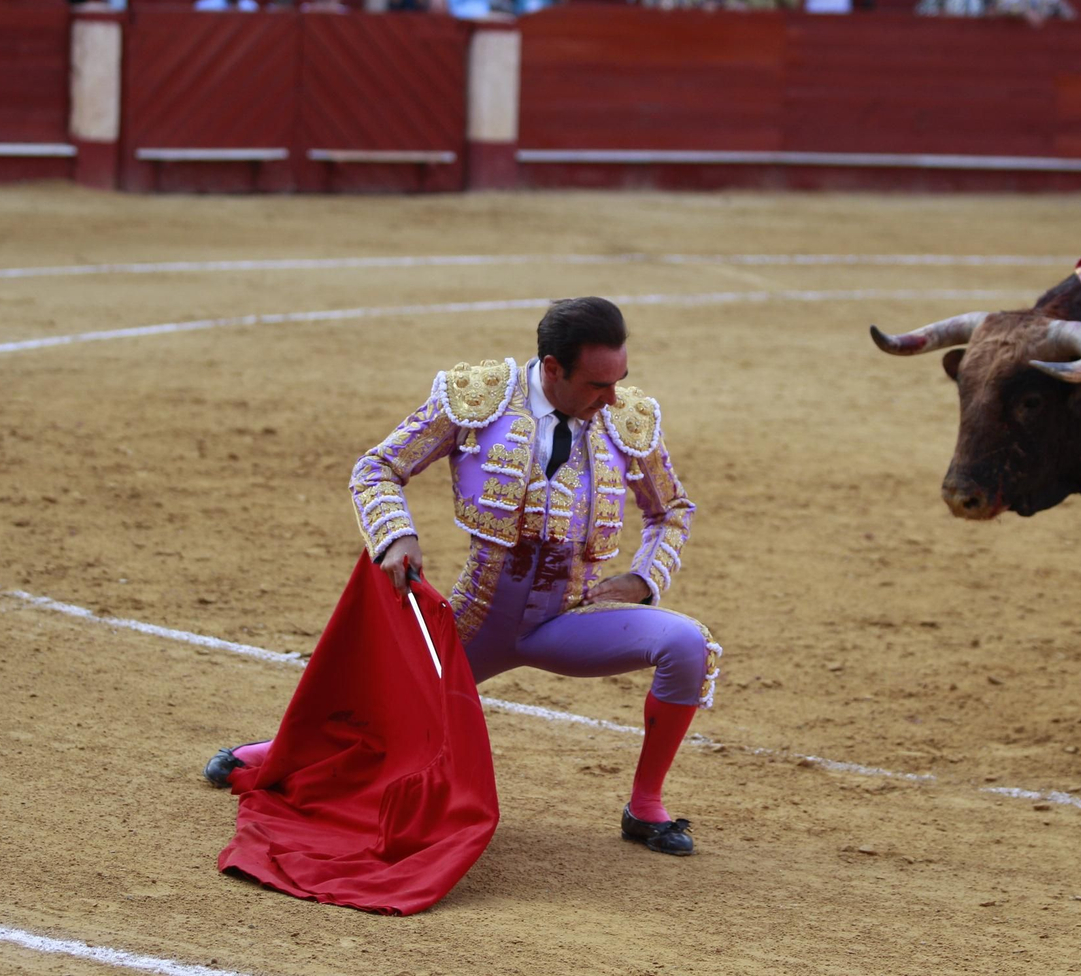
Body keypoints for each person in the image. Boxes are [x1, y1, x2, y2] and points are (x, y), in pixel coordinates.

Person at [204, 298, 720, 858]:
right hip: (476, 620)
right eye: (598, 384)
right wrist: (395, 534)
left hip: (571, 615)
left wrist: (644, 579)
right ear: (552, 368)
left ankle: (645, 807)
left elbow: (671, 510)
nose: (613, 398)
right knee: (384, 712)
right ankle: (279, 751)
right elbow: (378, 468)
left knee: (687, 645)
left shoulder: (625, 419)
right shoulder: (479, 399)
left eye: (620, 379)